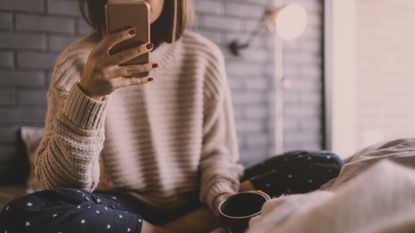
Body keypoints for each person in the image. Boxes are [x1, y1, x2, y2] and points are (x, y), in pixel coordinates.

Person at [0, 0, 343, 233]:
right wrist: (90, 95)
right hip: (124, 209)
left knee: (323, 163)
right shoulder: (76, 63)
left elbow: (217, 154)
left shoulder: (203, 56)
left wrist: (222, 197)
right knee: (22, 214)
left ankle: (209, 216)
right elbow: (63, 187)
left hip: (198, 196)